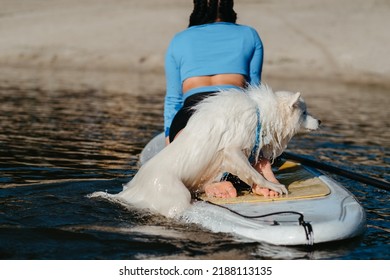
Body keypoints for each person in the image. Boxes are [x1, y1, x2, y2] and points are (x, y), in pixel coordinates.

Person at [164, 0, 280, 198]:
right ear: (229, 6)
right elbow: (256, 94)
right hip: (232, 106)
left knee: (187, 142)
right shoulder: (249, 34)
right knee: (239, 136)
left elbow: (173, 99)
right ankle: (258, 164)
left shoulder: (179, 39)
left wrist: (170, 141)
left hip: (193, 108)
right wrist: (261, 144)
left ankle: (208, 180)